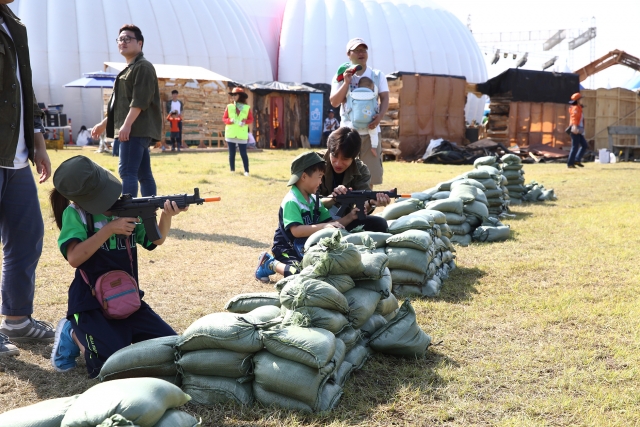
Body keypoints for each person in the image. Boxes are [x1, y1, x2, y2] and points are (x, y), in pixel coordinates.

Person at [48, 155, 187, 377]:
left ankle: (113, 336)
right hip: (90, 304)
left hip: (127, 298)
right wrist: (109, 229)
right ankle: (71, 332)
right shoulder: (75, 213)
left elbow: (156, 240)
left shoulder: (127, 206)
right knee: (111, 369)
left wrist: (166, 216)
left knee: (172, 348)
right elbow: (74, 257)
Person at [0, 1, 56, 358]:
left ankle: (17, 319)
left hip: (15, 157)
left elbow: (26, 88)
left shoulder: (14, 25)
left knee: (27, 236)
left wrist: (37, 142)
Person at [254, 152, 359, 282]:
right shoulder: (291, 201)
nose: (321, 182)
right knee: (298, 273)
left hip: (304, 247)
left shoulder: (314, 200)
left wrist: (351, 217)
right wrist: (324, 227)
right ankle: (269, 263)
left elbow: (331, 223)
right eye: (319, 177)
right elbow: (297, 231)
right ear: (304, 176)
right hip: (286, 248)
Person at [91, 24, 162, 197]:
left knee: (127, 172)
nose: (123, 42)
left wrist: (127, 125)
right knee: (143, 175)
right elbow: (121, 105)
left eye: (127, 39)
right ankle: (147, 216)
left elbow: (139, 101)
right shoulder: (129, 68)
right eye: (120, 39)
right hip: (134, 129)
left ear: (140, 43)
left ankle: (128, 216)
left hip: (135, 130)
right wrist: (103, 124)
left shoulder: (142, 67)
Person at [330, 37, 389, 188]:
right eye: (356, 50)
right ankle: (348, 210)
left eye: (363, 50)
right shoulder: (340, 76)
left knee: (369, 177)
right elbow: (335, 102)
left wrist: (379, 117)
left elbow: (385, 98)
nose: (361, 53)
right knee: (346, 176)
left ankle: (366, 209)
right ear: (348, 54)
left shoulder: (377, 75)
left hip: (371, 134)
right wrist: (346, 83)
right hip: (348, 134)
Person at [318, 127, 390, 233]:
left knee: (380, 224)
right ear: (329, 149)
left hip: (343, 222)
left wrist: (371, 203)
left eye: (345, 159)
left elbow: (363, 204)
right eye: (335, 156)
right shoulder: (315, 164)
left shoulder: (361, 170)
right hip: (314, 222)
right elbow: (307, 204)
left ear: (354, 157)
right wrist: (333, 198)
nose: (338, 163)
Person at [223, 87, 253, 176]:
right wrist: (230, 120)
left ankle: (246, 171)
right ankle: (232, 170)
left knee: (243, 154)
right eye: (232, 95)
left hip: (241, 134)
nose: (233, 96)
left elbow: (250, 119)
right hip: (231, 133)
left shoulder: (246, 108)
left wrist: (245, 122)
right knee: (231, 154)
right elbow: (224, 118)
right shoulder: (229, 106)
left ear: (240, 96)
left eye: (235, 95)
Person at [567, 92, 588, 169]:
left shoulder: (578, 107)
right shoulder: (575, 108)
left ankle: (577, 160)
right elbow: (574, 118)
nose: (582, 100)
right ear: (578, 100)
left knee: (584, 145)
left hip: (579, 129)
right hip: (575, 129)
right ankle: (570, 163)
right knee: (575, 147)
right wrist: (575, 127)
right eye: (581, 99)